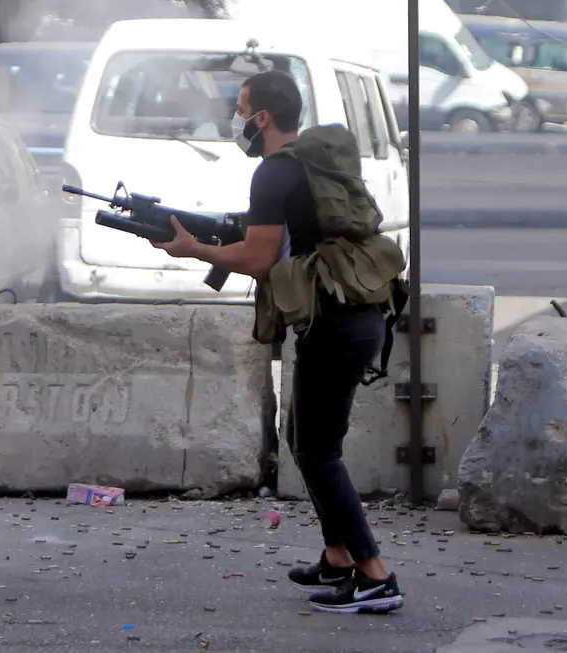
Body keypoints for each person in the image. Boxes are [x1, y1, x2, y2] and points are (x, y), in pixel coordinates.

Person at [150, 70, 404, 614]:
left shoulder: (273, 172)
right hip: (357, 316)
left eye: (242, 110)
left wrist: (196, 249)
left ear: (262, 117)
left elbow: (261, 257)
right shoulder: (310, 166)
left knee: (317, 452)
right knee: (302, 440)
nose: (237, 120)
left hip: (333, 324)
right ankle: (337, 557)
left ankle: (375, 576)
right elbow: (285, 236)